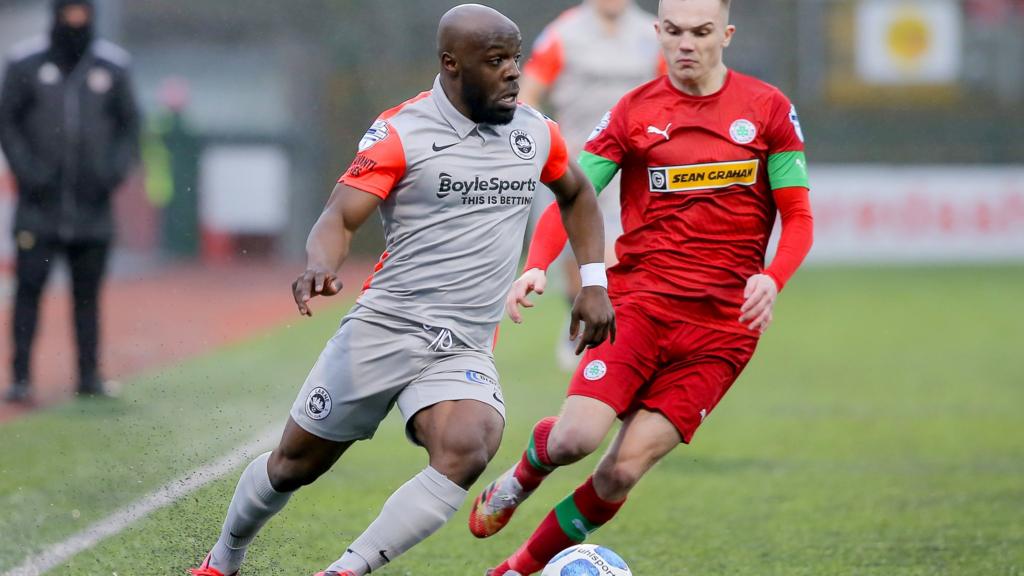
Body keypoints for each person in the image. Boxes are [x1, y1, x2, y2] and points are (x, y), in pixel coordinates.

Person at [188, 5, 615, 576]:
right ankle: (224, 559)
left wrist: (592, 281)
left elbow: (579, 196)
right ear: (451, 64)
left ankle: (345, 570)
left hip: (462, 344)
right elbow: (339, 217)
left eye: (514, 58)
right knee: (292, 466)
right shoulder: (401, 132)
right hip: (384, 329)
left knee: (471, 444)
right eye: (495, 61)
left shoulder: (535, 133)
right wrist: (321, 263)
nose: (513, 72)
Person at [468, 0, 815, 573]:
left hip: (723, 330)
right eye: (674, 32)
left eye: (701, 33)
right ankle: (525, 472)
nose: (686, 45)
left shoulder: (768, 109)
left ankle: (515, 570)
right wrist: (536, 264)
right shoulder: (633, 112)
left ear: (725, 34)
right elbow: (574, 192)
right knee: (577, 439)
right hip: (640, 305)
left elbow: (797, 216)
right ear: (657, 33)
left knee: (620, 471)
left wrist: (772, 279)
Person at [0, 0, 140, 402]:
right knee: (28, 290)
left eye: (83, 10)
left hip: (92, 209)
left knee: (87, 295)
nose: (76, 18)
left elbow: (130, 126)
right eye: (69, 10)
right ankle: (21, 376)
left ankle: (88, 376)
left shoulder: (113, 67)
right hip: (36, 207)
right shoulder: (24, 63)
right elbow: (7, 123)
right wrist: (29, 173)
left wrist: (110, 174)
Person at [520, 0, 663, 371]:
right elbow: (527, 93)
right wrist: (545, 139)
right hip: (575, 163)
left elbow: (672, 91)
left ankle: (616, 340)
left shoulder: (654, 33)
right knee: (572, 260)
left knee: (613, 254)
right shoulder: (564, 33)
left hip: (632, 166)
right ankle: (580, 320)